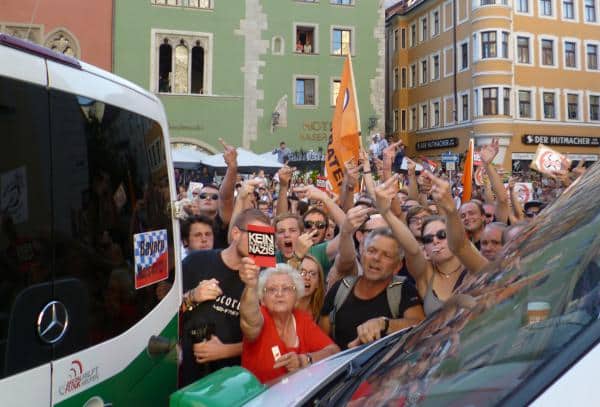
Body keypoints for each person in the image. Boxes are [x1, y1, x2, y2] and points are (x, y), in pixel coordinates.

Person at [180, 208, 271, 387]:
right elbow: (167, 313)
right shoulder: (197, 261)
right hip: (186, 370)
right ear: (236, 233)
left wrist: (225, 351)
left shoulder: (266, 277)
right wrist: (193, 296)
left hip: (232, 378)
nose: (258, 243)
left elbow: (267, 337)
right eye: (255, 235)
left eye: (265, 238)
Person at [320, 228, 425, 349]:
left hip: (383, 367)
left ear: (397, 266)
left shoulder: (403, 289)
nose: (377, 258)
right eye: (372, 250)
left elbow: (420, 324)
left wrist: (385, 324)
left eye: (387, 255)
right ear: (362, 254)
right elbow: (321, 340)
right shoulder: (341, 288)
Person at [239, 262, 339, 383]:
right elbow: (249, 321)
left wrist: (304, 360)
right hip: (260, 399)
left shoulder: (302, 320)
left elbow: (334, 351)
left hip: (296, 399)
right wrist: (250, 287)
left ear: (296, 296)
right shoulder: (261, 316)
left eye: (286, 288)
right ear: (262, 299)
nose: (279, 294)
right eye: (271, 289)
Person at [195, 139, 238, 248]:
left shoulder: (222, 223)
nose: (208, 198)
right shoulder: (188, 223)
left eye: (214, 197)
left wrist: (232, 166)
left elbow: (226, 198)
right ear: (196, 201)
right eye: (203, 196)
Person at [296, 255, 326, 322]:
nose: (307, 277)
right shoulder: (283, 306)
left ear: (318, 283)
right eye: (302, 272)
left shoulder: (320, 315)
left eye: (312, 274)